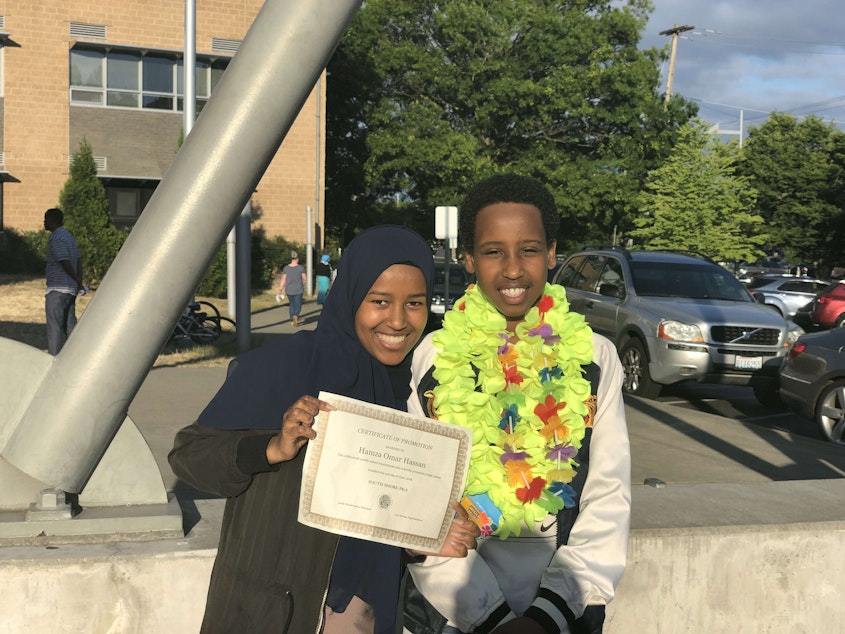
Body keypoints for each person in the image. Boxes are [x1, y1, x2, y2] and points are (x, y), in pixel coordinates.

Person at [168, 225, 479, 634]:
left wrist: (420, 535)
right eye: (380, 301)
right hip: (272, 613)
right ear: (351, 296)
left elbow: (382, 504)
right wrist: (271, 448)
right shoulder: (283, 366)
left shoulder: (420, 387)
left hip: (367, 612)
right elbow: (189, 456)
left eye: (415, 303)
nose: (399, 321)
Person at [403, 174, 631, 634]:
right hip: (456, 613)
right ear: (467, 258)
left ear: (550, 254)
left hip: (565, 613)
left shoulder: (595, 358)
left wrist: (548, 617)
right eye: (493, 251)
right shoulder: (433, 357)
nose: (512, 269)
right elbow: (418, 501)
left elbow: (609, 495)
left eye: (528, 249)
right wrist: (490, 620)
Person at [43, 207, 84, 355]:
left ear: (52, 221)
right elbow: (78, 260)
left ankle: (53, 358)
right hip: (70, 290)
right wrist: (79, 281)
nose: (43, 222)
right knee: (70, 325)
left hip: (57, 289)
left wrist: (74, 277)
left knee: (54, 327)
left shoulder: (56, 238)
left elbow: (64, 261)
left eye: (46, 219)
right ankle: (77, 355)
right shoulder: (68, 237)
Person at [279, 250, 306, 326]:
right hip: (298, 289)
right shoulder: (300, 268)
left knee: (292, 304)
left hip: (289, 290)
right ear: (297, 259)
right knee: (298, 304)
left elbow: (283, 279)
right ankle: (296, 315)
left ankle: (292, 319)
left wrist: (280, 289)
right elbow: (304, 278)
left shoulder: (286, 268)